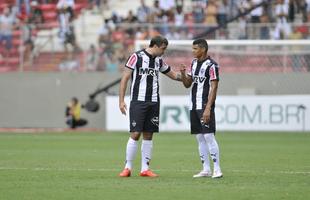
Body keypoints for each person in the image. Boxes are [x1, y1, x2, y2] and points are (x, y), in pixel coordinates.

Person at [118, 35, 182, 177]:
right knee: (135, 133)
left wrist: (186, 76)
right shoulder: (136, 57)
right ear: (155, 46)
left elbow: (172, 75)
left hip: (153, 101)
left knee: (149, 134)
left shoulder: (159, 61)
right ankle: (127, 167)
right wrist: (121, 100)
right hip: (138, 101)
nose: (164, 51)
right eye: (163, 48)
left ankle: (145, 169)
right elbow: (125, 78)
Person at [180, 39, 223, 178]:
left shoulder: (212, 65)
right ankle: (206, 169)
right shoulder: (193, 63)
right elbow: (187, 84)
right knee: (200, 137)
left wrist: (208, 108)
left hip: (204, 105)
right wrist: (182, 74)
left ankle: (217, 169)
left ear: (203, 49)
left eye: (195, 49)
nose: (193, 51)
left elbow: (214, 87)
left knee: (209, 136)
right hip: (194, 105)